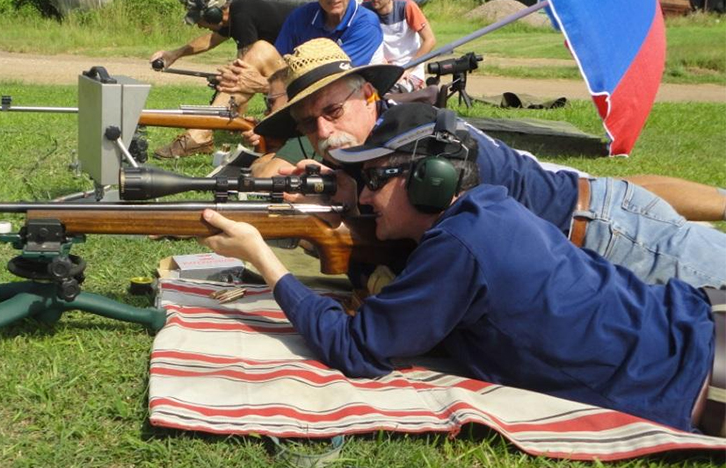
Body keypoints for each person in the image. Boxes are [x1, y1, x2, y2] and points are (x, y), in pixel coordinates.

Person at [197, 103, 724, 437]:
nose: (366, 197)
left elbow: (354, 348)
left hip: (700, 380)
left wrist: (262, 257)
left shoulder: (458, 248)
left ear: (428, 179)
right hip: (702, 324)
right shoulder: (488, 208)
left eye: (374, 180)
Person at [253, 38, 726, 288]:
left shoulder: (410, 140)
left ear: (369, 95)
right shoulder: (372, 149)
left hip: (600, 234)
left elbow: (438, 256)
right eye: (308, 124)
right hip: (584, 244)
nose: (322, 132)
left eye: (333, 111)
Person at [150, 0, 288, 158]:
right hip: (284, 72)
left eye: (200, 19)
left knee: (244, 66)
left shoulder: (242, 16)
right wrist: (174, 54)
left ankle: (200, 135)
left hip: (295, 76)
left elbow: (243, 73)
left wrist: (235, 117)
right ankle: (202, 131)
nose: (199, 25)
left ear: (213, 14)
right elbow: (210, 40)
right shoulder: (236, 15)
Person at [362, 0, 436, 92]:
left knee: (393, 92)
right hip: (381, 67)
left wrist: (408, 68)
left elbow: (430, 40)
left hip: (409, 69)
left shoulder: (407, 7)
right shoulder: (365, 10)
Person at [241, 68, 319, 178]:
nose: (266, 112)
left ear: (292, 97)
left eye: (271, 102)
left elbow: (265, 176)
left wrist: (266, 157)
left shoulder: (311, 133)